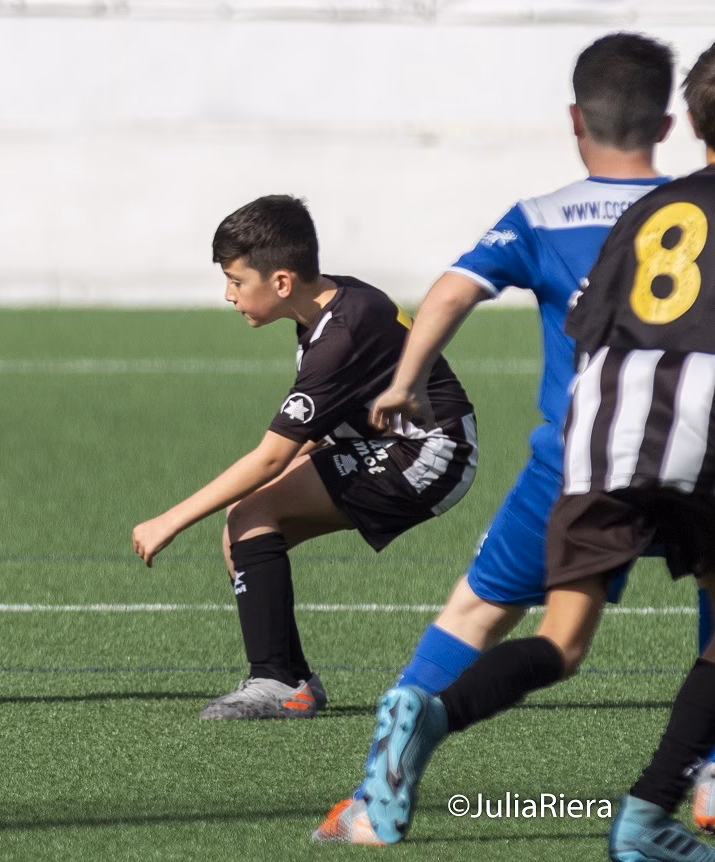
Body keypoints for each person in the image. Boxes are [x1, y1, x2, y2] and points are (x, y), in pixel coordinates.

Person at [313, 32, 682, 843]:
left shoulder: (544, 216)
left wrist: (406, 379)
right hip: (698, 452)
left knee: (482, 609)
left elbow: (450, 291)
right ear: (666, 122)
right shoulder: (691, 209)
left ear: (575, 120)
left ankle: (375, 799)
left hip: (579, 458)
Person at [131, 194, 478, 719]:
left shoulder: (340, 333)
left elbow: (271, 458)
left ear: (282, 282)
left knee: (252, 513)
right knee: (243, 530)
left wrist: (170, 520)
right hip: (386, 442)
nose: (228, 294)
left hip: (428, 454)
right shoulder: (334, 305)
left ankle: (275, 682)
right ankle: (292, 684)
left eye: (236, 280)